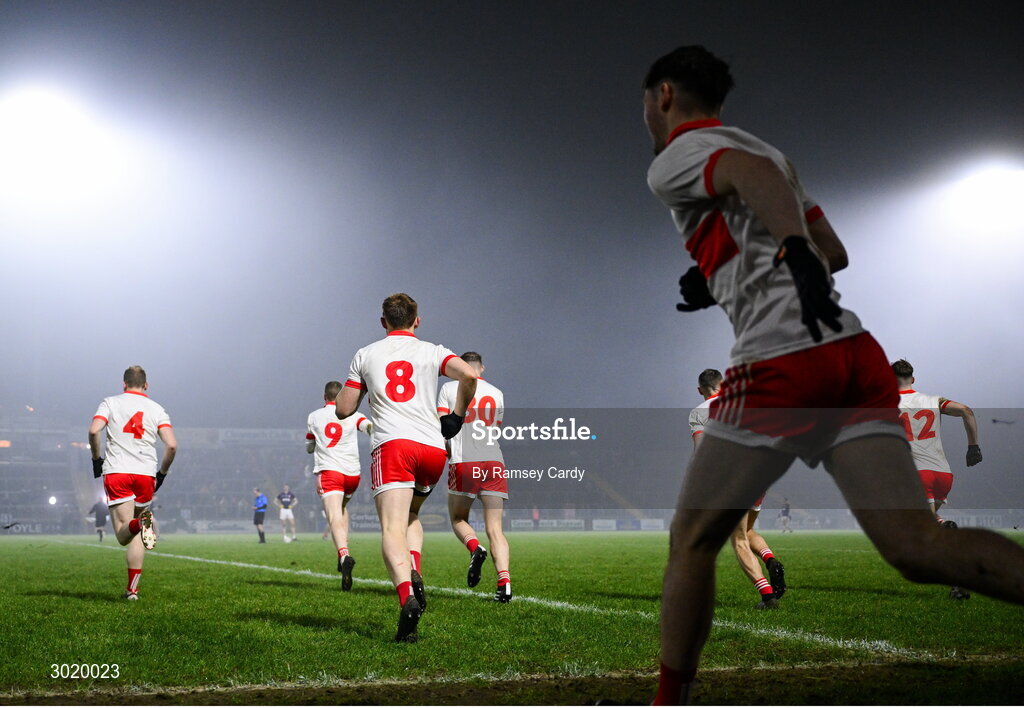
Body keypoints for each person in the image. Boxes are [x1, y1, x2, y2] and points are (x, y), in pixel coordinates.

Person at [642, 45, 1024, 704]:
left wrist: (786, 249)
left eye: (646, 101)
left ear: (666, 95)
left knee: (693, 538)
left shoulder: (681, 152)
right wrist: (731, 271)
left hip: (783, 360)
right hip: (853, 354)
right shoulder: (776, 155)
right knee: (916, 545)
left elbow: (748, 174)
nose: (645, 113)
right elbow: (835, 253)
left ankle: (666, 702)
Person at [335, 293, 478, 642]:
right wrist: (457, 416)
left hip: (394, 448)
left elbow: (344, 410)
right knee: (412, 515)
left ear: (383, 322)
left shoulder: (366, 354)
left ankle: (407, 598)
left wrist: (356, 385)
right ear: (418, 320)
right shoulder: (433, 350)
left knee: (391, 527)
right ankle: (414, 567)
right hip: (431, 450)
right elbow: (470, 375)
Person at [689, 368, 785, 609]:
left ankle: (767, 597)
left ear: (700, 390)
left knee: (738, 540)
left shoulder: (699, 413)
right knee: (748, 528)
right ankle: (770, 559)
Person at [893, 358, 982, 599]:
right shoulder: (934, 401)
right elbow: (966, 411)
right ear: (912, 379)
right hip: (943, 473)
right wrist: (973, 446)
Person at [88, 365, 176, 600]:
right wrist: (162, 474)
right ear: (146, 385)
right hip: (146, 474)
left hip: (118, 471)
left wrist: (97, 460)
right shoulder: (157, 409)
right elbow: (172, 445)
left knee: (123, 534)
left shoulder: (110, 402)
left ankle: (139, 524)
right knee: (136, 531)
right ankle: (132, 591)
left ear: (123, 383)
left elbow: (94, 431)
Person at [438, 352, 512, 602]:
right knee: (496, 529)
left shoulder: (448, 388)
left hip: (464, 460)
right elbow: (496, 428)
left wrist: (448, 453)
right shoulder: (498, 393)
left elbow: (443, 427)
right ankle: (504, 581)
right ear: (481, 368)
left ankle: (474, 548)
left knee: (459, 518)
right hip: (494, 461)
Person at [307, 380, 373, 590]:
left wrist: (317, 443)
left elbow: (309, 447)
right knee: (343, 509)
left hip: (330, 472)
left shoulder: (314, 416)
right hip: (353, 474)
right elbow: (369, 428)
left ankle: (344, 555)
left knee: (333, 515)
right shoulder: (354, 414)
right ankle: (341, 553)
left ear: (324, 396)